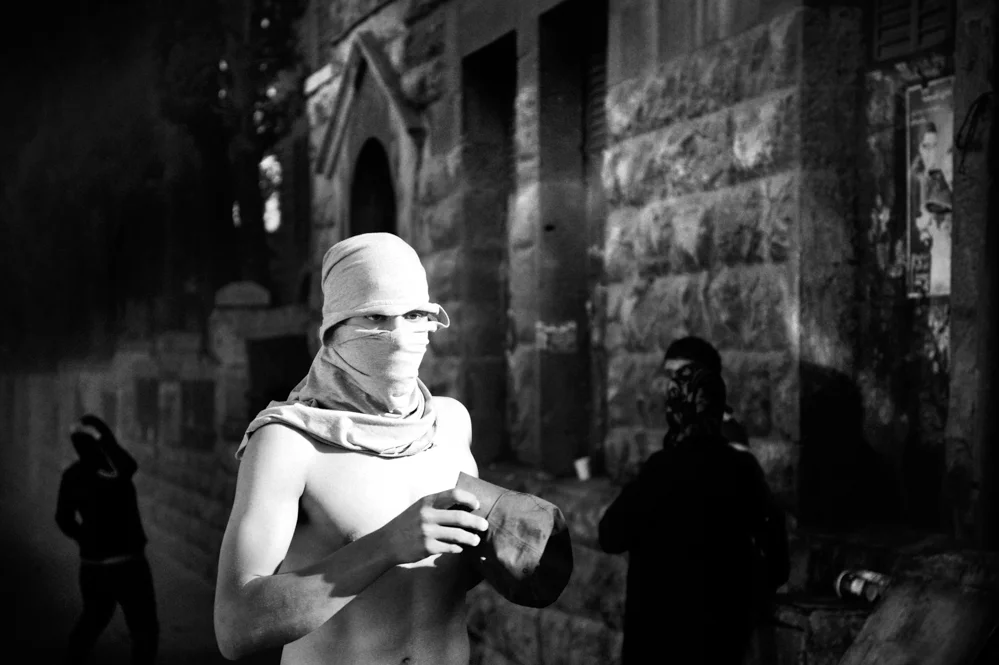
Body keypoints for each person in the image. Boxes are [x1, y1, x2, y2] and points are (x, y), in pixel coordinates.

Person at [214, 233, 490, 665]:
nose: (400, 335)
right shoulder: (289, 442)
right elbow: (234, 628)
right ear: (334, 330)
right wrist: (385, 546)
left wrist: (509, 548)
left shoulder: (450, 423)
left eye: (416, 314)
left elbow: (442, 583)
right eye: (376, 318)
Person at [599, 361, 789, 665]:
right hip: (720, 642)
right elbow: (778, 562)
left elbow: (609, 535)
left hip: (657, 641)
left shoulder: (660, 470)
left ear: (674, 411)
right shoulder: (742, 470)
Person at [56, 414, 159, 665]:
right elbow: (129, 466)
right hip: (127, 565)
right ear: (100, 442)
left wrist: (84, 539)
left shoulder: (73, 475)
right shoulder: (113, 468)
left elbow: (63, 518)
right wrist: (105, 434)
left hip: (92, 566)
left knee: (92, 620)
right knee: (144, 629)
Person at [660, 335, 749, 445]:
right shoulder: (681, 427)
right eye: (669, 374)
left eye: (684, 375)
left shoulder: (727, 436)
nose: (672, 385)